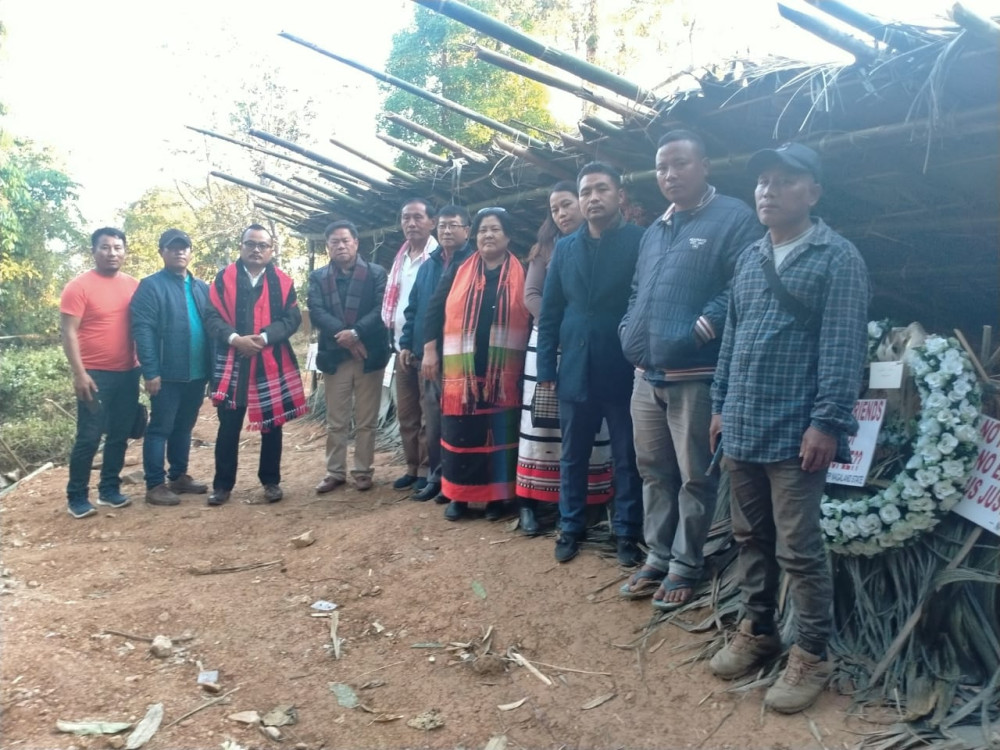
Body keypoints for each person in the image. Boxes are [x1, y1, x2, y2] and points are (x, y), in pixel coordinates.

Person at [708, 143, 870, 714]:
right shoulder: (750, 258)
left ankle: (813, 654)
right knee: (750, 536)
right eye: (762, 182)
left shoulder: (837, 257)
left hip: (796, 432)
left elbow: (844, 348)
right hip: (744, 426)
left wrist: (827, 423)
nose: (767, 191)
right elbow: (731, 336)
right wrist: (720, 403)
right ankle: (758, 630)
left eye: (784, 181)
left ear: (814, 193)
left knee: (800, 550)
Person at [618, 130, 760, 609]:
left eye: (679, 163)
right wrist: (629, 329)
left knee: (695, 475)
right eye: (661, 167)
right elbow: (638, 289)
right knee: (653, 471)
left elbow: (742, 285)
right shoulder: (656, 229)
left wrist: (699, 329)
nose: (670, 174)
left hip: (695, 376)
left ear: (705, 166)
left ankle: (686, 564)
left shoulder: (734, 217)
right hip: (646, 374)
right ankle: (657, 555)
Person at [536, 163, 644, 565]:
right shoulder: (564, 248)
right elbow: (549, 314)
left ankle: (628, 534)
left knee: (626, 458)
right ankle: (571, 526)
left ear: (619, 195)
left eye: (602, 189)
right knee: (572, 456)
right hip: (574, 370)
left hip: (623, 368)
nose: (593, 197)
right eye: (586, 192)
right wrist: (547, 371)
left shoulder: (640, 241)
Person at [422, 207, 531, 522]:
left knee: (498, 435)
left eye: (495, 229)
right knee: (461, 434)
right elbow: (434, 309)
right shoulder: (459, 269)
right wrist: (430, 349)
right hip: (462, 371)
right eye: (483, 229)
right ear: (475, 235)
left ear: (507, 235)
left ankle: (497, 498)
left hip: (503, 371)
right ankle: (459, 496)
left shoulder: (519, 272)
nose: (488, 235)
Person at [517, 182, 614, 536]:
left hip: (590, 351)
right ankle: (532, 500)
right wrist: (560, 326)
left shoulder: (604, 244)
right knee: (542, 427)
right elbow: (531, 295)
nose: (561, 213)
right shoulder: (544, 249)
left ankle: (587, 501)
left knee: (585, 428)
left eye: (566, 204)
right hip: (548, 345)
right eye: (554, 208)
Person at [203, 224, 307, 506]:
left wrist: (262, 338)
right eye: (251, 244)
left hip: (270, 359)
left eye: (263, 245)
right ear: (241, 246)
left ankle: (271, 482)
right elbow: (211, 316)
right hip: (232, 359)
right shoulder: (223, 279)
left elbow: (292, 319)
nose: (256, 250)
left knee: (272, 425)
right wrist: (236, 339)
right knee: (228, 426)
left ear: (271, 250)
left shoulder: (284, 282)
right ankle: (222, 486)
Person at [59, 227, 140, 518]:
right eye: (105, 248)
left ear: (124, 251)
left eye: (118, 247)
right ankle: (77, 496)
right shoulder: (78, 287)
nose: (112, 253)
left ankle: (109, 490)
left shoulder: (133, 285)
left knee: (119, 434)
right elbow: (68, 332)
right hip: (94, 374)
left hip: (129, 372)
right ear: (93, 251)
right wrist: (79, 374)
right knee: (89, 436)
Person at [129, 228, 211, 507]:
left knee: (185, 426)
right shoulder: (150, 286)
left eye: (184, 247)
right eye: (173, 247)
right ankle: (154, 484)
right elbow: (143, 331)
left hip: (197, 372)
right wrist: (150, 371)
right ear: (162, 252)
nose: (180, 252)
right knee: (160, 427)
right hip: (166, 374)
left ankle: (178, 476)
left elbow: (211, 325)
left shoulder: (200, 287)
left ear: (190, 252)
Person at [308, 220, 390, 493]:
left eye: (345, 240)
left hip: (370, 356)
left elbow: (382, 309)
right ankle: (335, 472)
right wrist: (345, 335)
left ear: (356, 242)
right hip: (335, 356)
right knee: (337, 420)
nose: (340, 245)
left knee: (367, 419)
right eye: (334, 242)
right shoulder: (318, 277)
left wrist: (356, 333)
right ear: (328, 247)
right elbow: (317, 311)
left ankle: (363, 471)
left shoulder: (377, 273)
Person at [401, 205, 471, 502]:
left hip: (463, 355)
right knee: (434, 419)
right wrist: (408, 343)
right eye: (442, 225)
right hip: (430, 356)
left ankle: (457, 480)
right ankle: (436, 477)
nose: (446, 230)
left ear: (467, 230)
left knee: (461, 421)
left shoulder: (473, 261)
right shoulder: (429, 264)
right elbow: (414, 307)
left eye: (453, 225)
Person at [382, 198, 438, 492]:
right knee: (406, 413)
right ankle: (412, 467)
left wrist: (427, 347)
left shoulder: (438, 258)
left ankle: (428, 471)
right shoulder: (400, 257)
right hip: (401, 348)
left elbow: (429, 307)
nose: (411, 223)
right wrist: (401, 344)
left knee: (428, 413)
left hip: (427, 349)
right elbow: (401, 306)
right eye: (406, 218)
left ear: (432, 222)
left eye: (418, 217)